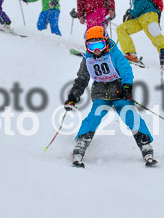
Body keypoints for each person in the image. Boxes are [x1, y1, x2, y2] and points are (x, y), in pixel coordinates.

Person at [64, 26, 157, 168]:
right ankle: (82, 142)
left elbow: (126, 70)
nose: (96, 50)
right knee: (94, 116)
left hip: (118, 90)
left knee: (130, 114)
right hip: (100, 92)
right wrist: (74, 95)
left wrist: (127, 87)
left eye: (99, 45)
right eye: (91, 46)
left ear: (106, 43)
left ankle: (144, 143)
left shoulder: (114, 54)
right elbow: (82, 79)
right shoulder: (87, 59)